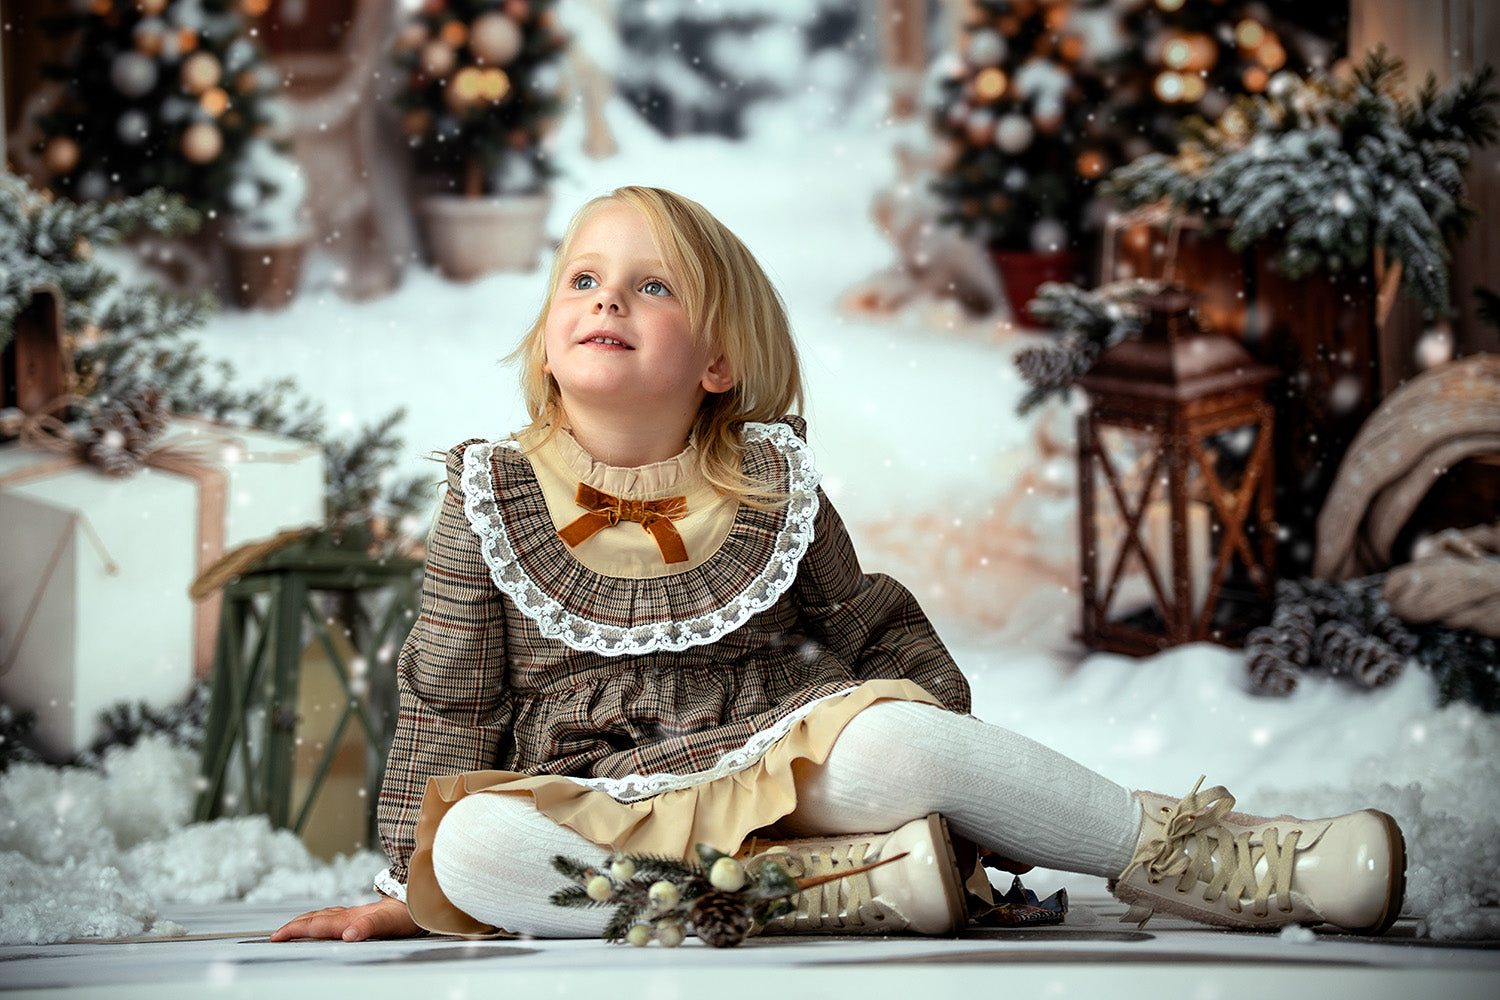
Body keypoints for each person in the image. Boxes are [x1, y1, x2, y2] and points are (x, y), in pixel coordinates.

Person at [272, 186, 1405, 944]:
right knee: (469, 847)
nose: (606, 297)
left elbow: (867, 622)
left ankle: (1200, 854)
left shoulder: (766, 479)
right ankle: (833, 890)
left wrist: (939, 747)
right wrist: (401, 886)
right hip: (592, 794)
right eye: (581, 279)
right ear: (547, 330)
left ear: (718, 360)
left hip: (771, 765)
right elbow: (450, 694)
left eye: (652, 285)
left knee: (893, 732)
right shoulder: (490, 497)